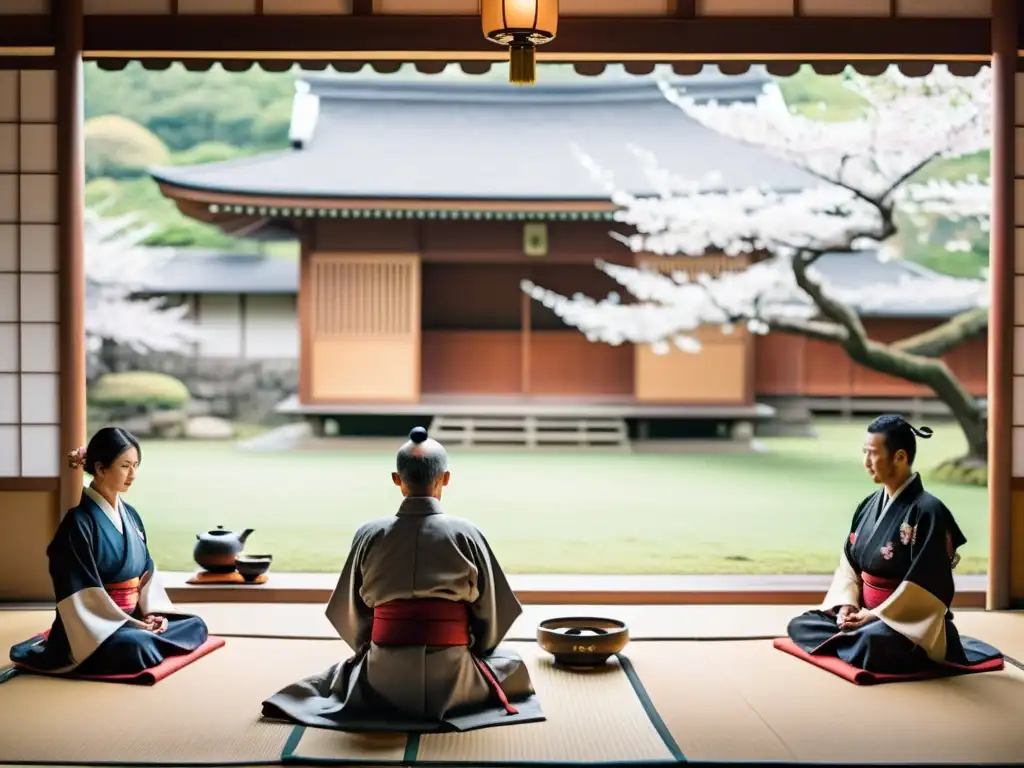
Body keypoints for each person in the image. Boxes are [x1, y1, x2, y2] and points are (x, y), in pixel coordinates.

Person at [262, 426, 543, 733]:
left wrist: (373, 647)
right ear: (446, 478)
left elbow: (350, 611)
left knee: (338, 677)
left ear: (397, 480)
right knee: (511, 663)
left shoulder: (369, 534)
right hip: (453, 677)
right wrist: (476, 646)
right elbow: (493, 610)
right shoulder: (467, 534)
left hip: (382, 676)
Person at [786, 414, 1002, 674]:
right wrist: (848, 607)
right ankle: (852, 637)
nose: (866, 462)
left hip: (906, 624)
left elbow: (929, 585)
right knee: (802, 624)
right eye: (864, 452)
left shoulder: (929, 511)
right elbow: (849, 565)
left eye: (873, 454)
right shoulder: (868, 505)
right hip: (864, 614)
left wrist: (875, 615)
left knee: (872, 641)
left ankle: (858, 641)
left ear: (900, 457)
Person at [10, 427, 209, 676]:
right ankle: (139, 640)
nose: (133, 475)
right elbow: (80, 592)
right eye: (126, 466)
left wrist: (153, 615)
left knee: (195, 625)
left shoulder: (132, 516)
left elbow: (146, 571)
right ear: (101, 469)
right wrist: (135, 625)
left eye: (136, 465)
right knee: (137, 647)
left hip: (135, 617)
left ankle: (145, 637)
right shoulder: (78, 523)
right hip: (95, 627)